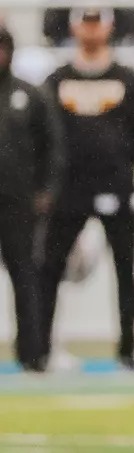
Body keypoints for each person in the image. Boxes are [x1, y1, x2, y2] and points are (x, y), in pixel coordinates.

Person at [40, 7, 134, 373]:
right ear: (75, 27)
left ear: (108, 27)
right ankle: (42, 348)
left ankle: (128, 348)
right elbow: (43, 138)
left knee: (126, 271)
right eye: (85, 23)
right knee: (49, 270)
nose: (91, 30)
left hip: (117, 185)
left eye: (98, 22)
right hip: (69, 189)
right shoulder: (57, 79)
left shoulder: (128, 78)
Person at [0, 26, 63, 373]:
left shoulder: (29, 94)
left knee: (25, 277)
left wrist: (46, 191)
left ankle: (32, 352)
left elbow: (52, 147)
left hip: (18, 203)